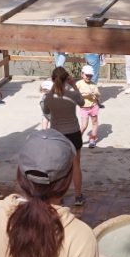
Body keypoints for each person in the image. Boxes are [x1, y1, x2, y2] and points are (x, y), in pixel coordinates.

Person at [41, 66, 86, 206]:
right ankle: (78, 196)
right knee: (76, 165)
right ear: (67, 79)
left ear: (52, 79)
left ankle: (58, 196)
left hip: (57, 134)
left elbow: (45, 111)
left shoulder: (48, 97)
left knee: (58, 167)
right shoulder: (72, 94)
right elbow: (82, 103)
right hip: (73, 132)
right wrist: (74, 85)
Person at [76, 65, 103, 147]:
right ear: (82, 74)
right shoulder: (78, 84)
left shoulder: (93, 84)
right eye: (87, 75)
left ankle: (92, 139)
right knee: (84, 125)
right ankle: (77, 140)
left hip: (93, 106)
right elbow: (75, 94)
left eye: (90, 75)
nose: (88, 77)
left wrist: (96, 94)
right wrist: (85, 95)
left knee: (95, 122)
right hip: (84, 108)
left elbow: (98, 95)